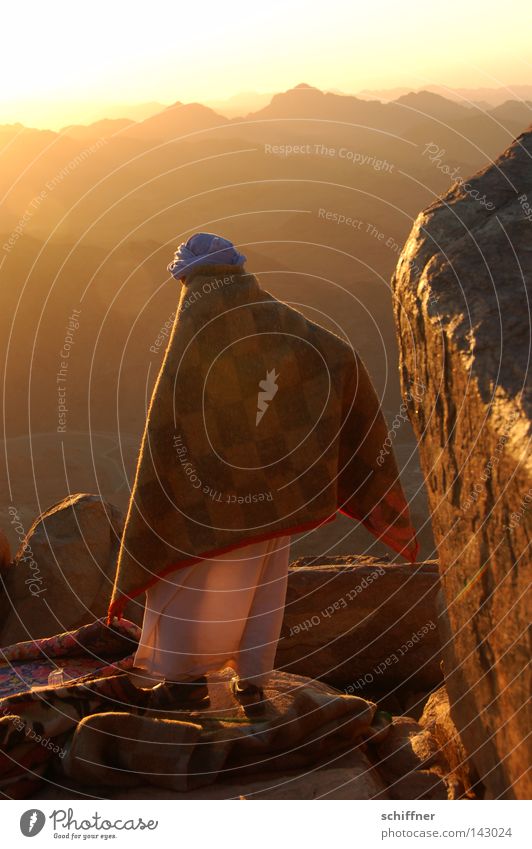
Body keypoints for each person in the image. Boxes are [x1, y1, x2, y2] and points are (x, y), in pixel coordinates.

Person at [109, 233, 418, 714]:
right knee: (263, 584)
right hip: (275, 489)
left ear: (191, 277)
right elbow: (335, 356)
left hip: (206, 494)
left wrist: (171, 479)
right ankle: (251, 682)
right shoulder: (270, 313)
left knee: (191, 582)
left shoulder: (198, 315)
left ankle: (184, 682)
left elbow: (174, 414)